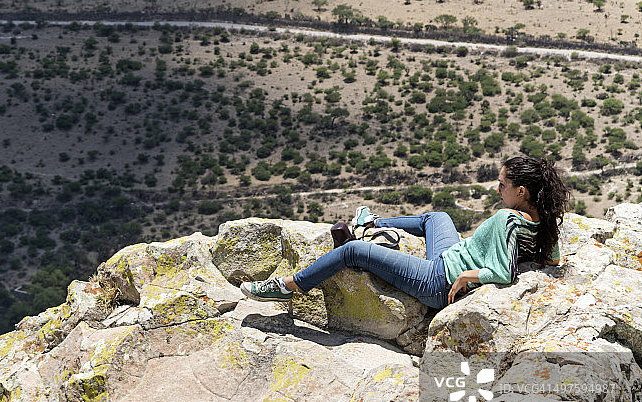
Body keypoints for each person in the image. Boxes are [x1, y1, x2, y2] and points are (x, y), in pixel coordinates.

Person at [240, 155, 570, 309]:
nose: (497, 189)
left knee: (352, 252)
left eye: (502, 184)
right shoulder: (545, 221)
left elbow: (501, 273)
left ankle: (288, 286)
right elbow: (554, 261)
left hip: (437, 280)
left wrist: (469, 276)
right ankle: (371, 225)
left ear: (522, 191)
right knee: (437, 216)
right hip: (451, 256)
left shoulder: (506, 219)